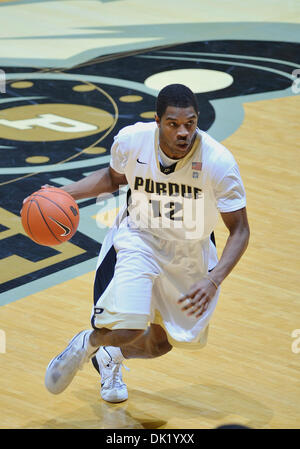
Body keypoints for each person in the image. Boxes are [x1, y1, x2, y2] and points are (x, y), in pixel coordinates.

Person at [43, 84, 250, 403]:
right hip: (139, 239)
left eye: (190, 123)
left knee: (161, 343)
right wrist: (62, 194)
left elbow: (240, 231)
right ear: (157, 121)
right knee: (128, 326)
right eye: (173, 124)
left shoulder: (218, 162)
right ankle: (89, 343)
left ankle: (110, 356)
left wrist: (213, 279)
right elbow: (113, 180)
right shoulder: (132, 141)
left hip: (188, 254)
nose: (183, 132)